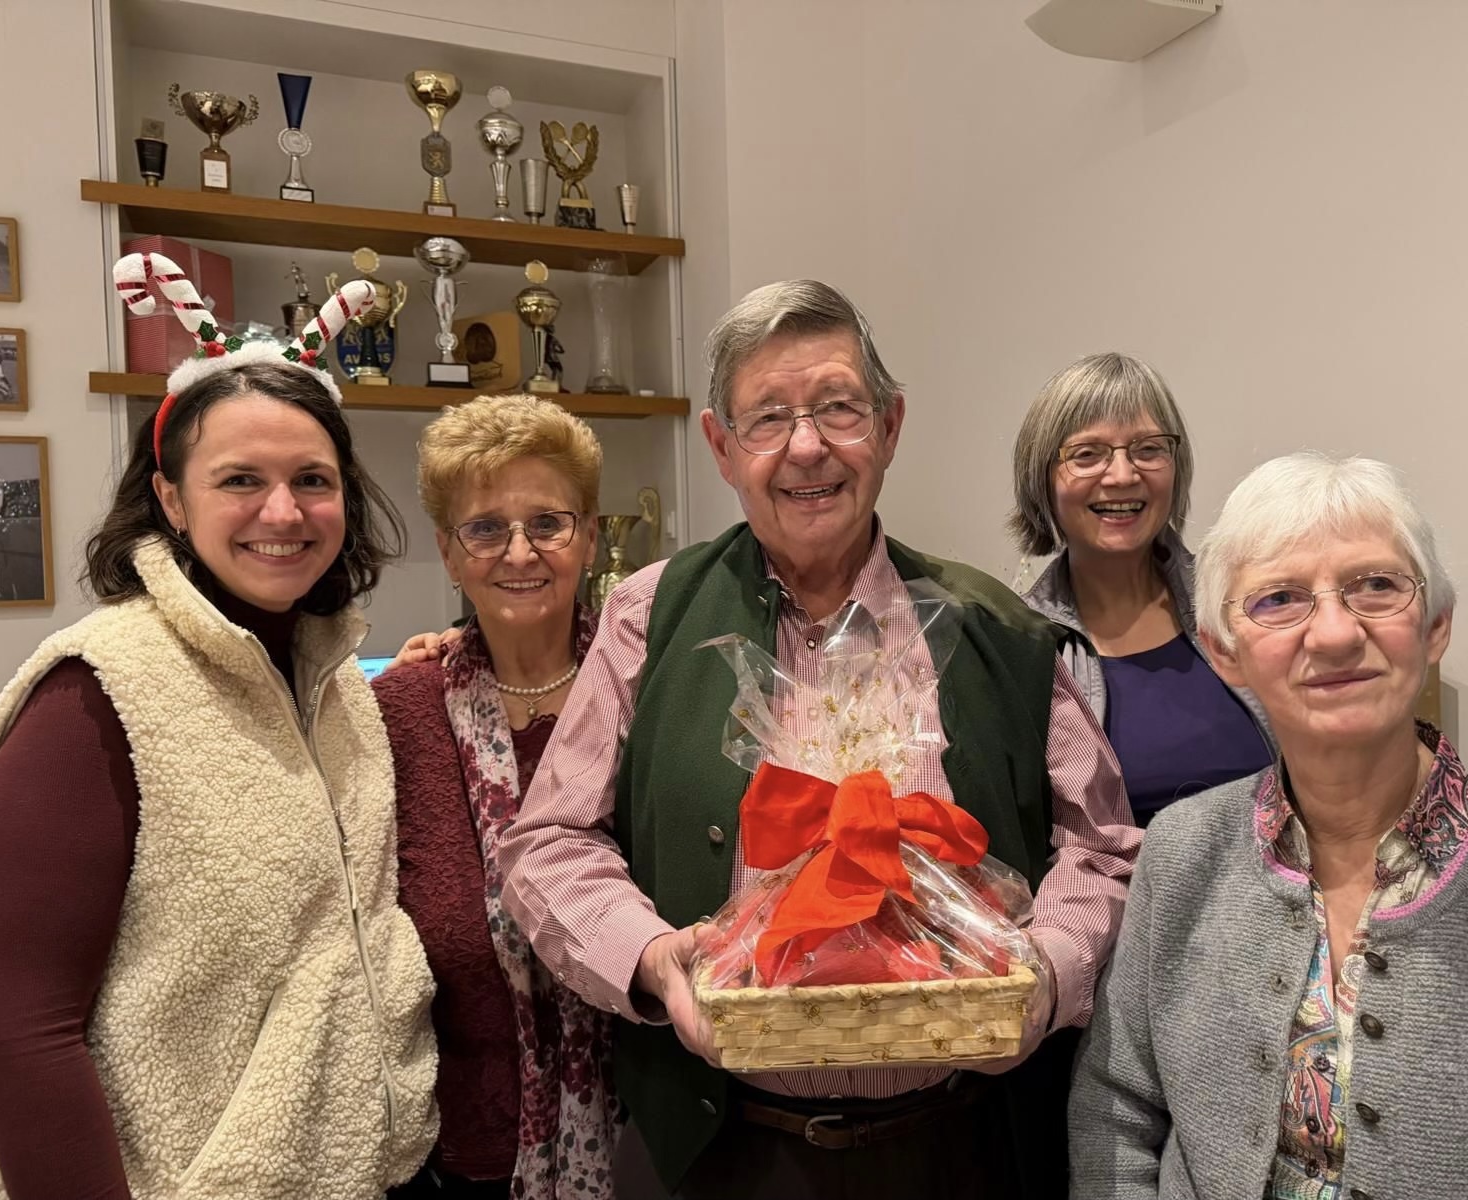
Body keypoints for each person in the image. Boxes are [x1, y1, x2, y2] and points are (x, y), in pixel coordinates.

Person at [496, 280, 1140, 1200]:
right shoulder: (651, 613)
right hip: (718, 1151)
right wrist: (650, 957)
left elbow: (1105, 846)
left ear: (889, 427)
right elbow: (547, 841)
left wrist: (1046, 975)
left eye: (839, 408)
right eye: (768, 418)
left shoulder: (996, 629)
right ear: (722, 446)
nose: (807, 446)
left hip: (959, 1149)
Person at [0, 255, 437, 1200]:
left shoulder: (340, 684)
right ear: (168, 498)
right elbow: (19, 1026)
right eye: (241, 479)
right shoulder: (96, 692)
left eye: (312, 480)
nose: (284, 513)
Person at [1068, 453, 1468, 1199]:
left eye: (1376, 586)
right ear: (1225, 653)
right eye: (1280, 599)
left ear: (1436, 624)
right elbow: (1117, 1110)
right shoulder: (1183, 853)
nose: (1336, 633)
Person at [373, 395, 620, 1199]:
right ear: (448, 552)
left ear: (588, 536)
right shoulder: (400, 713)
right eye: (485, 528)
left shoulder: (647, 689)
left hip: (654, 1139)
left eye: (548, 523)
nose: (521, 552)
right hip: (463, 1157)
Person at [1011, 352, 1272, 826]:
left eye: (1148, 449)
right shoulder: (1019, 647)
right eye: (1087, 454)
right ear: (1042, 479)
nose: (1123, 475)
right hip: (1114, 898)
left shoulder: (1241, 605)